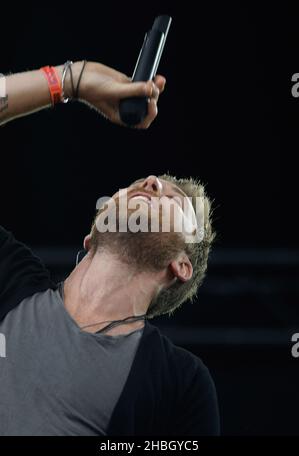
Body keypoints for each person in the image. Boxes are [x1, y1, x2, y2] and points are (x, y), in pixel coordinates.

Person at [0, 60, 220, 436]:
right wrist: (73, 81)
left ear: (182, 265)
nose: (151, 182)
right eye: (143, 181)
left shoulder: (181, 384)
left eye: (176, 199)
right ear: (91, 237)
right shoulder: (10, 279)